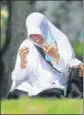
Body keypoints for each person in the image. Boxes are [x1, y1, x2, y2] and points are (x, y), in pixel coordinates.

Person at [7, 12, 83, 99]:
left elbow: (67, 73)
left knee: (52, 96)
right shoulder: (26, 45)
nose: (36, 39)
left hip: (54, 85)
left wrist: (56, 56)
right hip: (32, 86)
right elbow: (18, 78)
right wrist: (23, 63)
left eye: (38, 34)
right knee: (14, 96)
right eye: (32, 35)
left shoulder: (60, 41)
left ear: (43, 29)